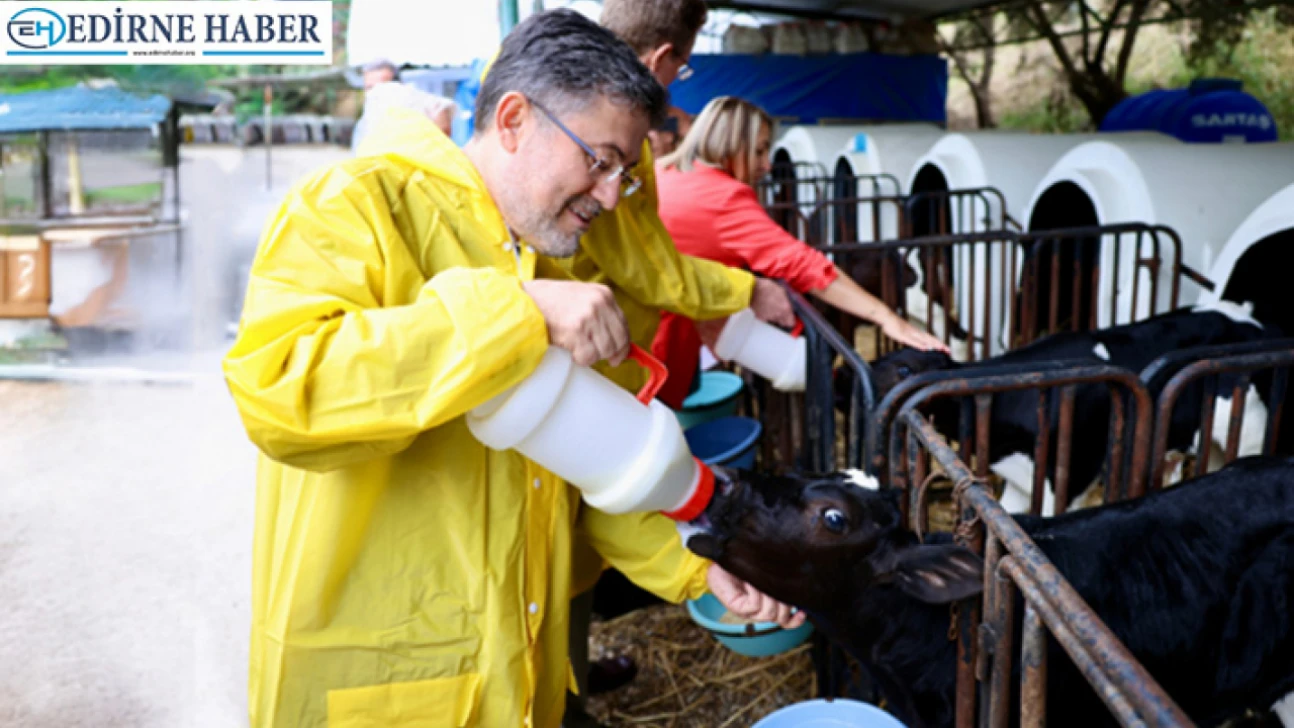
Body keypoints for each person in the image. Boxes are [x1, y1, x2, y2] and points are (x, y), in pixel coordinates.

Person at [223, 10, 801, 728]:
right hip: (381, 689)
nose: (612, 195)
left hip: (517, 675)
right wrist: (513, 313)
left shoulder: (546, 259)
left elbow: (584, 473)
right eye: (599, 160)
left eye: (624, 170)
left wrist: (693, 567)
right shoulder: (354, 204)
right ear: (515, 119)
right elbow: (280, 394)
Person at [651, 95, 951, 408]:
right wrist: (887, 317)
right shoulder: (723, 197)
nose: (767, 164)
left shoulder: (664, 172)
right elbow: (805, 265)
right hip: (662, 344)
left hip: (644, 336)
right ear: (730, 144)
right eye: (759, 150)